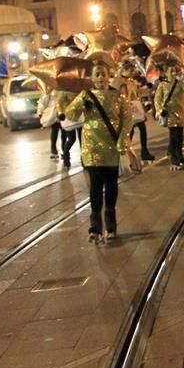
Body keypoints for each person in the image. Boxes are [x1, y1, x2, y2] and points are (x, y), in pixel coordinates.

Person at [65, 60, 131, 244]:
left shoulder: (118, 97)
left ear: (109, 75)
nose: (101, 78)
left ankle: (111, 225)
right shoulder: (85, 96)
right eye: (97, 74)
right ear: (92, 78)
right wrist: (70, 103)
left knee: (111, 186)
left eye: (103, 73)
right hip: (91, 147)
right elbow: (70, 115)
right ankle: (95, 227)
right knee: (94, 187)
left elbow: (127, 120)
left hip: (111, 147)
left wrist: (122, 142)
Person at [112, 60, 156, 162]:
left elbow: (137, 93)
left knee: (142, 130)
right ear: (124, 70)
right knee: (128, 133)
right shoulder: (117, 82)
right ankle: (126, 154)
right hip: (125, 110)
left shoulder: (131, 81)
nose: (133, 73)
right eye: (131, 70)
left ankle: (144, 152)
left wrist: (146, 87)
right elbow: (114, 97)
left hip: (135, 110)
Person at [154, 61, 184, 170]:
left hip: (180, 112)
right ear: (166, 72)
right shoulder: (162, 85)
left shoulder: (180, 84)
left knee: (179, 136)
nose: (173, 73)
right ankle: (173, 156)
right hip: (169, 113)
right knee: (174, 136)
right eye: (171, 71)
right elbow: (157, 98)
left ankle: (179, 155)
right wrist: (160, 110)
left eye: (175, 71)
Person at [38, 89, 62, 160]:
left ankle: (64, 151)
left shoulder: (61, 86)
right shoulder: (49, 89)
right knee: (55, 131)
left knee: (64, 132)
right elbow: (43, 102)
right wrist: (40, 112)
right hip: (53, 113)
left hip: (62, 111)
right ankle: (53, 150)